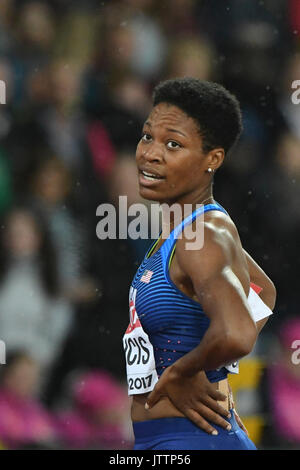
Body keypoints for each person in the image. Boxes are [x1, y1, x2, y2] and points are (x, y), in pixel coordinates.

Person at [122, 77, 276, 450]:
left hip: (195, 440)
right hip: (168, 440)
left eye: (173, 144)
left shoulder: (204, 231)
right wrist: (212, 368)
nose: (150, 154)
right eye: (148, 137)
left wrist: (185, 370)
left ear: (213, 159)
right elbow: (263, 292)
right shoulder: (182, 228)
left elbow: (236, 332)